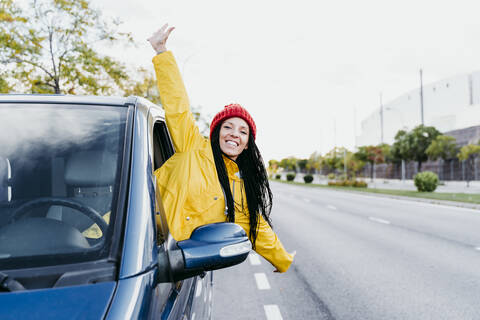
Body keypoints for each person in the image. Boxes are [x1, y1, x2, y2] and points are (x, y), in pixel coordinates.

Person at [148, 24, 294, 273]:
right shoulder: (193, 146)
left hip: (174, 267)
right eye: (228, 126)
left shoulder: (241, 190)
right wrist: (162, 52)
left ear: (248, 144)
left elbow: (256, 228)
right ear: (216, 132)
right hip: (137, 246)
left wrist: (282, 260)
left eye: (243, 131)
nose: (234, 134)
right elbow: (178, 106)